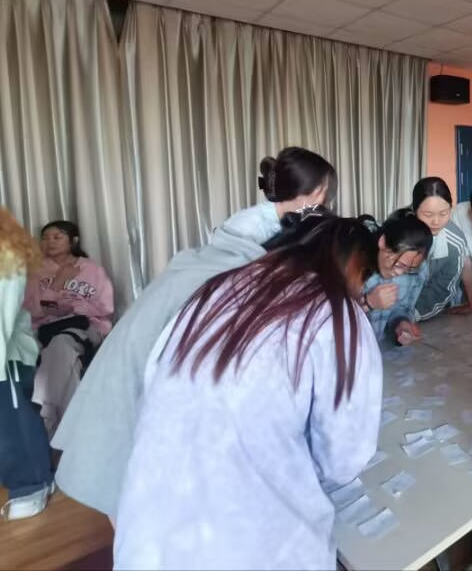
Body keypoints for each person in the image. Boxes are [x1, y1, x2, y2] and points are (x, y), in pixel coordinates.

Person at [52, 147, 337, 520]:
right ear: (316, 194)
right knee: (138, 493)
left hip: (141, 368)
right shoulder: (239, 261)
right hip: (143, 381)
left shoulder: (235, 241)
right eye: (326, 197)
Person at [114, 216, 382, 570]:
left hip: (146, 535)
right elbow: (343, 458)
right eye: (364, 278)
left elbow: (156, 383)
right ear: (353, 264)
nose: (361, 290)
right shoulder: (335, 311)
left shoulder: (216, 289)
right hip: (250, 544)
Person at [24, 220, 114, 437]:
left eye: (57, 237)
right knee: (65, 363)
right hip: (44, 330)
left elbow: (106, 307)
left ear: (73, 241)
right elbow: (35, 310)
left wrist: (74, 306)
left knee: (61, 347)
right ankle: (68, 433)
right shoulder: (36, 271)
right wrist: (58, 283)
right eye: (45, 238)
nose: (50, 242)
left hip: (83, 326)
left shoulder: (91, 269)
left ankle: (48, 416)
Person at [0, 209, 56, 521]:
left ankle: (33, 484)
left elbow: (2, 315)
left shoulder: (7, 254)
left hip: (6, 357)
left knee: (12, 424)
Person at [359, 210, 432, 346]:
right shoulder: (354, 265)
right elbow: (328, 321)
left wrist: (401, 324)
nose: (400, 272)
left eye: (409, 269)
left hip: (373, 350)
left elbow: (401, 308)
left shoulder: (418, 269)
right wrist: (368, 303)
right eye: (398, 265)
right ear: (382, 242)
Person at [410, 177, 472, 321]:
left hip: (426, 304)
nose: (436, 221)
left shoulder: (455, 243)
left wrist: (411, 315)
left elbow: (441, 289)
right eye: (428, 215)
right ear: (414, 210)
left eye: (443, 213)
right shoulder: (398, 231)